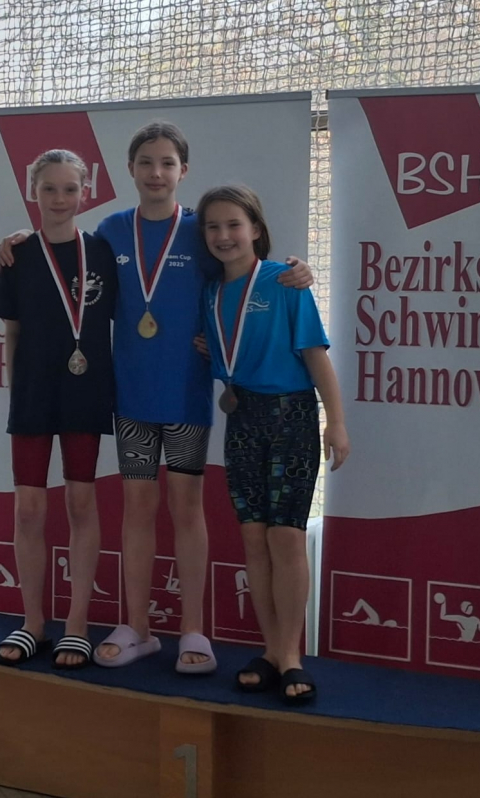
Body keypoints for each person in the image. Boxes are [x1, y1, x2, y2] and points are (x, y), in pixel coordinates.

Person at [0, 122, 313, 674]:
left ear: (183, 171)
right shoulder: (111, 232)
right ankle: (138, 627)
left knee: (187, 509)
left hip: (188, 393)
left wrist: (298, 270)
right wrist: (17, 239)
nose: (156, 172)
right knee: (137, 509)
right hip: (131, 396)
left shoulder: (200, 231)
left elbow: (243, 269)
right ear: (130, 170)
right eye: (146, 162)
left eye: (167, 163)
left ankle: (193, 629)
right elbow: (62, 256)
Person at [197, 184, 349, 704]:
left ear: (256, 230)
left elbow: (315, 355)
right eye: (213, 227)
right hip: (242, 420)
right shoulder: (210, 293)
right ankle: (268, 649)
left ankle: (290, 655)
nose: (224, 235)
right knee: (254, 538)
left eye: (234, 225)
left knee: (285, 537)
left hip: (291, 417)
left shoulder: (285, 281)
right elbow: (222, 348)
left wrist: (336, 422)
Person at [0, 149, 117, 671]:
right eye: (49, 188)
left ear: (85, 193)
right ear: (33, 192)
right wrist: (19, 391)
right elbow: (12, 332)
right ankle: (33, 622)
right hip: (33, 395)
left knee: (81, 504)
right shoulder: (17, 255)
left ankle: (77, 624)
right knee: (28, 508)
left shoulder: (103, 252)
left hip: (86, 391)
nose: (59, 198)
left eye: (69, 189)